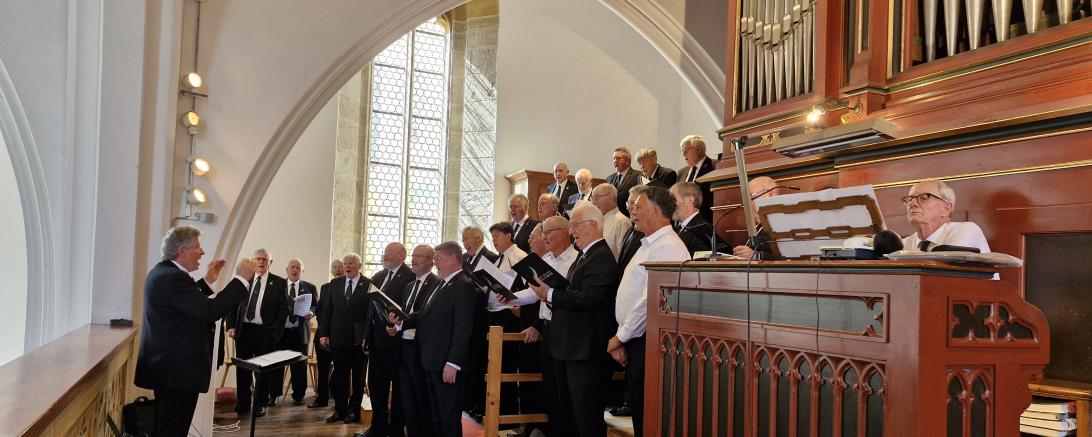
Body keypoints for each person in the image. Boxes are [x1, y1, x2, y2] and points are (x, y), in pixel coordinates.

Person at [135, 226, 256, 437]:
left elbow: (186, 303)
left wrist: (208, 280)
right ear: (182, 251)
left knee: (169, 428)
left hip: (169, 370)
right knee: (172, 431)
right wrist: (241, 279)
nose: (202, 252)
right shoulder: (173, 277)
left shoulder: (164, 272)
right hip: (176, 371)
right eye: (197, 247)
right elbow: (210, 311)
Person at [527, 203, 619, 437]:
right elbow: (572, 290)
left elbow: (590, 297)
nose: (572, 230)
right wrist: (551, 292)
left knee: (585, 413)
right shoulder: (587, 255)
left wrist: (549, 294)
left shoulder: (601, 257)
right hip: (570, 344)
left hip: (584, 348)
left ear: (594, 225)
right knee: (567, 409)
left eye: (576, 225)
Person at [608, 186, 691, 437]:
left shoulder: (667, 246)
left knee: (650, 414)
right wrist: (624, 336)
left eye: (638, 207)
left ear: (656, 210)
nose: (633, 211)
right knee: (641, 412)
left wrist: (621, 336)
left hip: (651, 341)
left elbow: (650, 300)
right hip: (638, 339)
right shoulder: (648, 243)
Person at [389, 242, 476, 437]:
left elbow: (463, 328)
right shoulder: (441, 284)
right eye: (435, 259)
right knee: (435, 414)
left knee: (448, 416)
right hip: (430, 360)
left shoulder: (463, 285)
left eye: (439, 259)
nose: (436, 263)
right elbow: (422, 315)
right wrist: (400, 320)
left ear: (454, 258)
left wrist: (453, 362)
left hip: (446, 363)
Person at [503, 216, 579, 436]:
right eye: (542, 233)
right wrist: (510, 298)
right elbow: (534, 293)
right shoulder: (548, 260)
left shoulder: (575, 259)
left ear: (564, 232)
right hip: (547, 328)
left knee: (564, 391)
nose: (544, 237)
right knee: (550, 389)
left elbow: (564, 295)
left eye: (548, 232)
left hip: (565, 329)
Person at [358, 243, 415, 437]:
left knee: (398, 389)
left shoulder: (410, 276)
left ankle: (396, 429)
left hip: (396, 342)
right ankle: (378, 427)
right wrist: (366, 336)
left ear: (401, 255)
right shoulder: (378, 276)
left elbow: (408, 310)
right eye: (385, 251)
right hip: (376, 342)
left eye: (390, 252)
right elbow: (370, 310)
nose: (385, 254)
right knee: (376, 386)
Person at [226, 248, 289, 417]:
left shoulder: (279, 282)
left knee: (263, 370)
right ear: (253, 261)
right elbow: (233, 303)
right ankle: (243, 402)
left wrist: (275, 332)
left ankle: (260, 403)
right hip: (244, 331)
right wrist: (231, 325)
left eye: (264, 259)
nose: (261, 262)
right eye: (258, 259)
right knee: (242, 369)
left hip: (265, 332)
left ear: (270, 262)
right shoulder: (243, 280)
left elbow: (284, 309)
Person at [390, 245, 440, 437]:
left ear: (430, 261)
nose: (414, 259)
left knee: (421, 398)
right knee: (407, 398)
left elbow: (426, 315)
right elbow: (405, 313)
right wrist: (396, 326)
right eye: (413, 256)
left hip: (420, 348)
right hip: (403, 346)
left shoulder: (435, 283)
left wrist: (403, 320)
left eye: (418, 256)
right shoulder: (410, 285)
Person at [318, 253, 371, 424]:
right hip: (338, 338)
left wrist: (366, 338)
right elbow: (327, 310)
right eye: (345, 263)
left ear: (359, 266)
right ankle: (339, 411)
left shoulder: (369, 285)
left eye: (351, 263)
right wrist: (324, 333)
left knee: (357, 379)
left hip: (358, 341)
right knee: (340, 377)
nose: (347, 266)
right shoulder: (335, 283)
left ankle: (353, 411)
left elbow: (370, 314)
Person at [484, 222, 527, 418]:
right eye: (492, 238)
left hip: (508, 314)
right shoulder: (499, 258)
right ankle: (496, 410)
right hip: (493, 312)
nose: (494, 241)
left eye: (497, 237)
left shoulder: (518, 257)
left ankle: (507, 413)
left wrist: (511, 297)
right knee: (494, 364)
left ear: (509, 236)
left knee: (506, 364)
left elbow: (525, 287)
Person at [269, 259, 316, 406]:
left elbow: (315, 306)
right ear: (287, 270)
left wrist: (311, 313)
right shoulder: (277, 286)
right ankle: (274, 395)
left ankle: (298, 395)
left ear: (302, 271)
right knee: (276, 365)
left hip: (299, 332)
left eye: (298, 268)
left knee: (299, 366)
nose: (295, 270)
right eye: (292, 267)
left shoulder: (310, 287)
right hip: (280, 332)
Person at [459, 226, 495, 418]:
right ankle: (468, 400)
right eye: (463, 239)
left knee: (479, 362)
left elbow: (494, 287)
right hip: (465, 315)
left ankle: (480, 404)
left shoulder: (490, 257)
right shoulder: (464, 259)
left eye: (467, 238)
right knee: (467, 361)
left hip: (481, 316)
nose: (465, 242)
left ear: (479, 238)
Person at [901, 179, 990, 253]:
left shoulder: (967, 230)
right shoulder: (903, 244)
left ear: (946, 208)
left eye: (924, 198)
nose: (912, 203)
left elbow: (948, 269)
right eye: (910, 199)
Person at [308, 258, 343, 409]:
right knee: (322, 368)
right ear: (331, 270)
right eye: (334, 267)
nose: (337, 269)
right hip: (323, 333)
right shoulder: (325, 287)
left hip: (340, 335)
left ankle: (337, 396)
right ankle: (321, 398)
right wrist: (325, 328)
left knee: (341, 368)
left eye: (339, 266)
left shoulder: (348, 287)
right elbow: (320, 309)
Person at [732, 176, 782, 259]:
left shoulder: (784, 221)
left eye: (751, 196)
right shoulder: (759, 225)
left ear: (770, 194)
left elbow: (790, 259)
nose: (748, 203)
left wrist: (757, 256)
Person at [671, 182, 719, 256]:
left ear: (690, 200)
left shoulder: (703, 231)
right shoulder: (675, 229)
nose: (669, 204)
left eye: (673, 199)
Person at [678, 135, 716, 220]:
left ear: (699, 149)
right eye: (682, 151)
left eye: (686, 150)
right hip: (683, 222)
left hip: (705, 220)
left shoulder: (715, 167)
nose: (683, 154)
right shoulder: (681, 172)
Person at [590, 183, 632, 260]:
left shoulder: (621, 222)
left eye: (597, 197)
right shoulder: (597, 220)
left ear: (612, 198)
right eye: (592, 198)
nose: (593, 202)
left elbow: (623, 256)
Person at [607, 147, 641, 216]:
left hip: (628, 217)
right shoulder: (610, 178)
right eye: (614, 158)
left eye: (619, 158)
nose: (615, 161)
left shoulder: (638, 176)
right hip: (612, 217)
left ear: (627, 161)